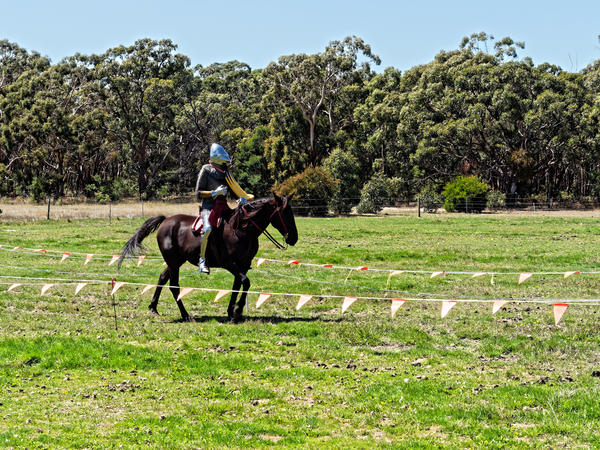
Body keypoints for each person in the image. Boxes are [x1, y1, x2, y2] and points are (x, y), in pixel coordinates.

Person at [195, 143, 254, 274]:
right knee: (208, 229)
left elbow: (233, 193)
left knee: (238, 225)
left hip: (223, 207)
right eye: (224, 163)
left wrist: (240, 199)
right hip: (208, 207)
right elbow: (198, 194)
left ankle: (238, 256)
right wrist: (214, 193)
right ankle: (202, 260)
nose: (226, 165)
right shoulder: (205, 169)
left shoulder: (226, 174)